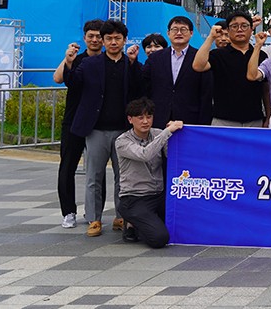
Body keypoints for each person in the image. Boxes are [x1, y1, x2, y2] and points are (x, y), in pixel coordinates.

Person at [64, 19, 142, 237]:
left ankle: (121, 216)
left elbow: (140, 87)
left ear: (125, 40)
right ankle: (94, 219)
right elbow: (73, 83)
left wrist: (134, 63)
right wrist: (69, 62)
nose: (113, 42)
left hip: (124, 131)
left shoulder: (130, 63)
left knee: (124, 177)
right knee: (93, 177)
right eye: (109, 38)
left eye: (118, 38)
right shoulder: (90, 63)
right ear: (104, 41)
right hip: (96, 129)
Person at [53, 19, 103, 229]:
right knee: (67, 167)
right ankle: (68, 212)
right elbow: (57, 78)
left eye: (98, 36)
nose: (95, 39)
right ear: (84, 38)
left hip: (99, 122)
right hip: (73, 120)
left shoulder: (107, 61)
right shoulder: (77, 59)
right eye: (91, 36)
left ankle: (94, 213)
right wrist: (67, 59)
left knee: (97, 170)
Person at [114, 97, 184, 248]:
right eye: (140, 118)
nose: (145, 121)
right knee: (159, 238)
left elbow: (172, 155)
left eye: (149, 117)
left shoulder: (158, 133)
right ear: (130, 119)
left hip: (159, 195)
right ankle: (132, 224)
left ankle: (143, 222)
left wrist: (177, 132)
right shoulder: (122, 141)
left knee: (184, 225)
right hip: (134, 198)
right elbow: (145, 154)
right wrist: (167, 132)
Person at [193, 11, 267, 127]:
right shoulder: (218, 54)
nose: (239, 29)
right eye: (234, 26)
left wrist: (268, 114)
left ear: (251, 29)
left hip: (254, 120)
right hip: (223, 120)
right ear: (228, 30)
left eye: (244, 26)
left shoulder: (261, 55)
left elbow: (266, 89)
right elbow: (198, 66)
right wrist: (211, 37)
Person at [142, 16, 213, 128]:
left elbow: (206, 93)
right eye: (175, 29)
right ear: (168, 33)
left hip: (190, 120)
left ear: (191, 33)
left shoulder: (200, 58)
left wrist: (203, 124)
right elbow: (145, 87)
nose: (179, 33)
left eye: (183, 29)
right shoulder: (155, 58)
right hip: (159, 118)